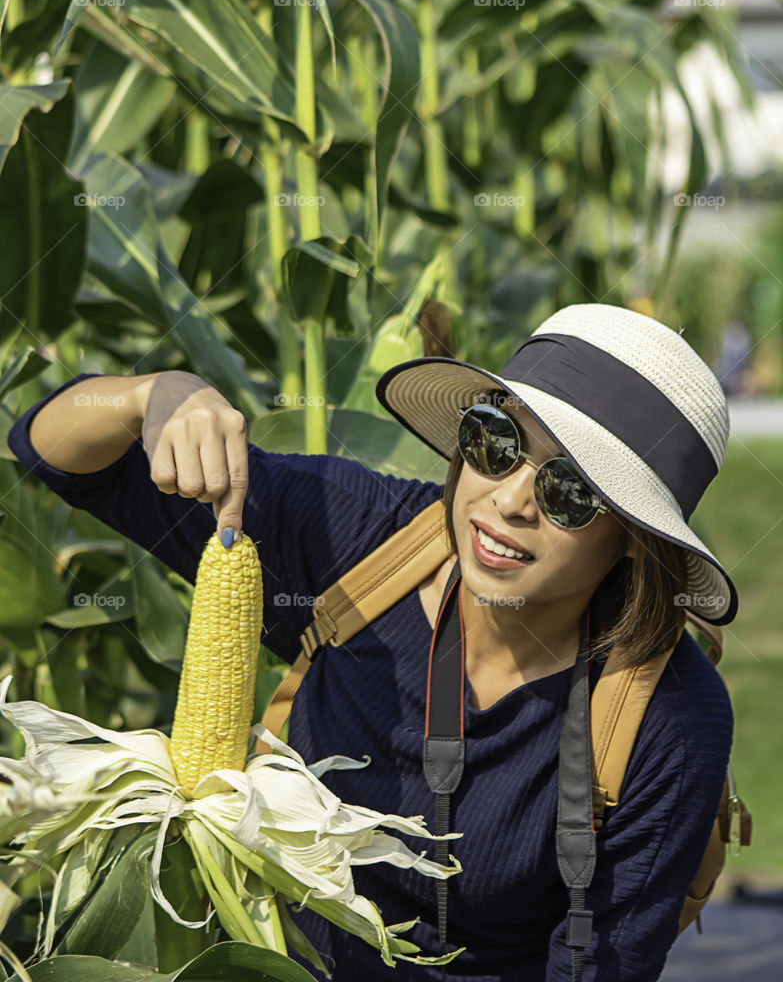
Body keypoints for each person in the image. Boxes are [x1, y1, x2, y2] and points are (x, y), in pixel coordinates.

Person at [7, 303, 737, 982]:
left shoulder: (665, 719)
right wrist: (149, 394)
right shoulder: (356, 543)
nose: (510, 501)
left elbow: (595, 965)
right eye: (496, 443)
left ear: (635, 541)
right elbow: (52, 452)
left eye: (570, 492)